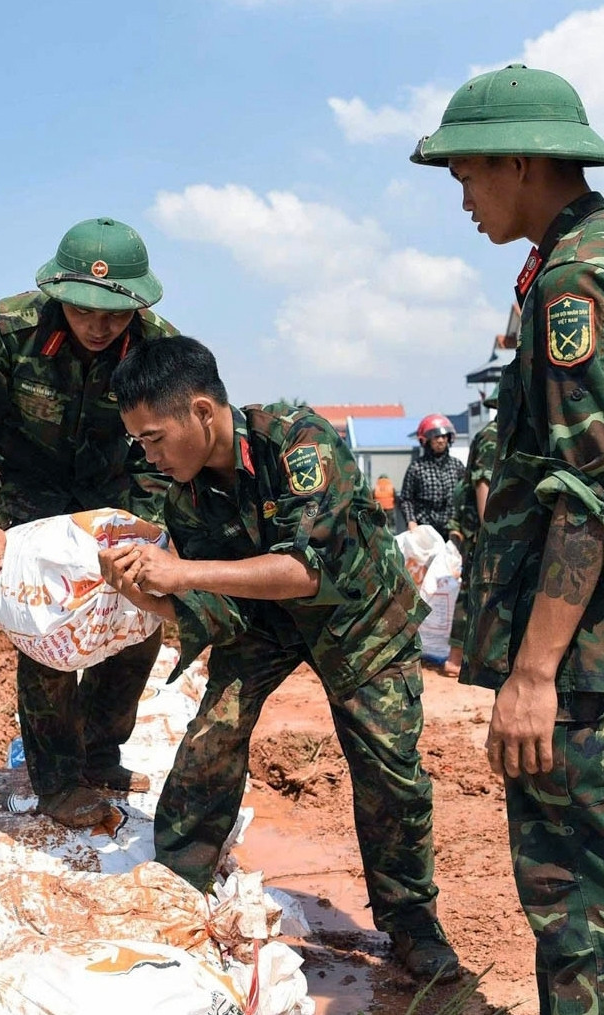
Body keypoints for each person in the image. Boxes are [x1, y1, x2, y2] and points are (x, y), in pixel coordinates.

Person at [412, 64, 604, 1013]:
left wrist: (533, 673)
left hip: (580, 651)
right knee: (598, 887)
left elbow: (587, 491)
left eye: (467, 174)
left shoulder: (576, 280)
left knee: (584, 896)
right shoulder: (601, 257)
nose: (461, 197)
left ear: (523, 160)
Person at [96, 336, 459, 984]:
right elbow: (215, 612)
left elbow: (301, 570)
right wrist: (140, 593)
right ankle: (180, 888)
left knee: (387, 770)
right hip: (263, 618)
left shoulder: (298, 440)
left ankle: (412, 927)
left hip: (356, 617)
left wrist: (176, 570)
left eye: (153, 437)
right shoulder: (174, 485)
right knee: (213, 731)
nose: (145, 453)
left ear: (202, 412)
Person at [0, 217, 177, 829]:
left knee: (137, 619)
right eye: (84, 311)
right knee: (50, 628)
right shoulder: (5, 332)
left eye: (115, 313)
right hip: (28, 494)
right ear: (58, 294)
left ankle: (101, 754)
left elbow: (167, 444)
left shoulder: (159, 349)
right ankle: (56, 782)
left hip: (117, 491)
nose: (100, 327)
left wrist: (149, 528)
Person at [443, 403, 500, 678]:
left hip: (491, 530)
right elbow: (483, 484)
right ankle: (455, 658)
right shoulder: (493, 434)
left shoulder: (509, 432)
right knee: (471, 593)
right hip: (484, 532)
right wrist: (491, 531)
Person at [399, 414, 464, 538]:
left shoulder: (457, 466)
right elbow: (406, 499)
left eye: (444, 436)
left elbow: (465, 496)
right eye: (436, 436)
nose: (440, 440)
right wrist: (411, 522)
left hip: (452, 530)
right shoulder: (416, 468)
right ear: (426, 440)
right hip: (425, 531)